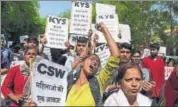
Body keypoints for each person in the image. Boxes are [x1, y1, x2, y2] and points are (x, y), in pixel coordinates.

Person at [65, 22, 120, 106]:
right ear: (82, 63)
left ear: (97, 70)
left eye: (97, 63)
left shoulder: (99, 83)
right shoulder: (69, 82)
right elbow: (66, 71)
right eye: (92, 59)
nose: (94, 62)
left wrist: (105, 31)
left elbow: (115, 56)